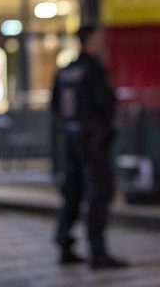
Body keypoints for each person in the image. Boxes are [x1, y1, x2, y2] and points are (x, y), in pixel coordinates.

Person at [50, 25, 128, 269]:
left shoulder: (65, 71)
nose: (103, 43)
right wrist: (106, 132)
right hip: (93, 140)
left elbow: (54, 108)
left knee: (72, 191)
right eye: (99, 39)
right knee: (99, 192)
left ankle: (64, 243)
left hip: (70, 138)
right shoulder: (94, 70)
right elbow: (106, 105)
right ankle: (97, 252)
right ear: (90, 41)